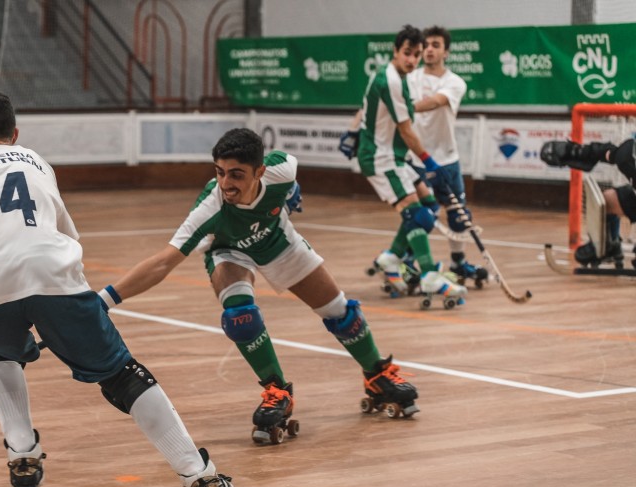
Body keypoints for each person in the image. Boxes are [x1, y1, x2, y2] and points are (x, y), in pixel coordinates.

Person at [0, 91, 235, 487]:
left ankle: (22, 456)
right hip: (53, 275)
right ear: (15, 134)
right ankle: (202, 479)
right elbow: (58, 236)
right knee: (121, 375)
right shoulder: (39, 163)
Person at [98, 127, 420, 442]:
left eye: (236, 174)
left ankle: (377, 375)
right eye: (220, 172)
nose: (226, 183)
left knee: (340, 312)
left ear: (260, 172)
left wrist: (293, 194)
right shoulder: (211, 207)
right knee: (241, 317)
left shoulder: (282, 170)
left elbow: (292, 176)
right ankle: (277, 390)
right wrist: (103, 301)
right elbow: (163, 261)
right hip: (230, 252)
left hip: (279, 243)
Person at [349, 24, 468, 304]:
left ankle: (391, 259)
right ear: (395, 51)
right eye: (407, 53)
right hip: (381, 158)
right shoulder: (390, 81)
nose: (413, 59)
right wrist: (429, 161)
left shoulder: (401, 76)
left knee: (428, 209)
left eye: (416, 54)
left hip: (395, 156)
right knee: (417, 215)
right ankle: (429, 275)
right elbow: (405, 129)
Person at [406, 25, 487, 287]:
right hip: (417, 158)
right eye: (426, 45)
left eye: (436, 45)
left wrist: (403, 108)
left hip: (446, 159)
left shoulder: (454, 82)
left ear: (446, 52)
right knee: (422, 214)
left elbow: (435, 102)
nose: (429, 49)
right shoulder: (410, 78)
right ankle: (407, 260)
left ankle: (457, 262)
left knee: (458, 215)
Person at [540, 137, 636, 269]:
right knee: (607, 200)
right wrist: (575, 152)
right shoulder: (627, 156)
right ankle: (609, 246)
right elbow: (612, 153)